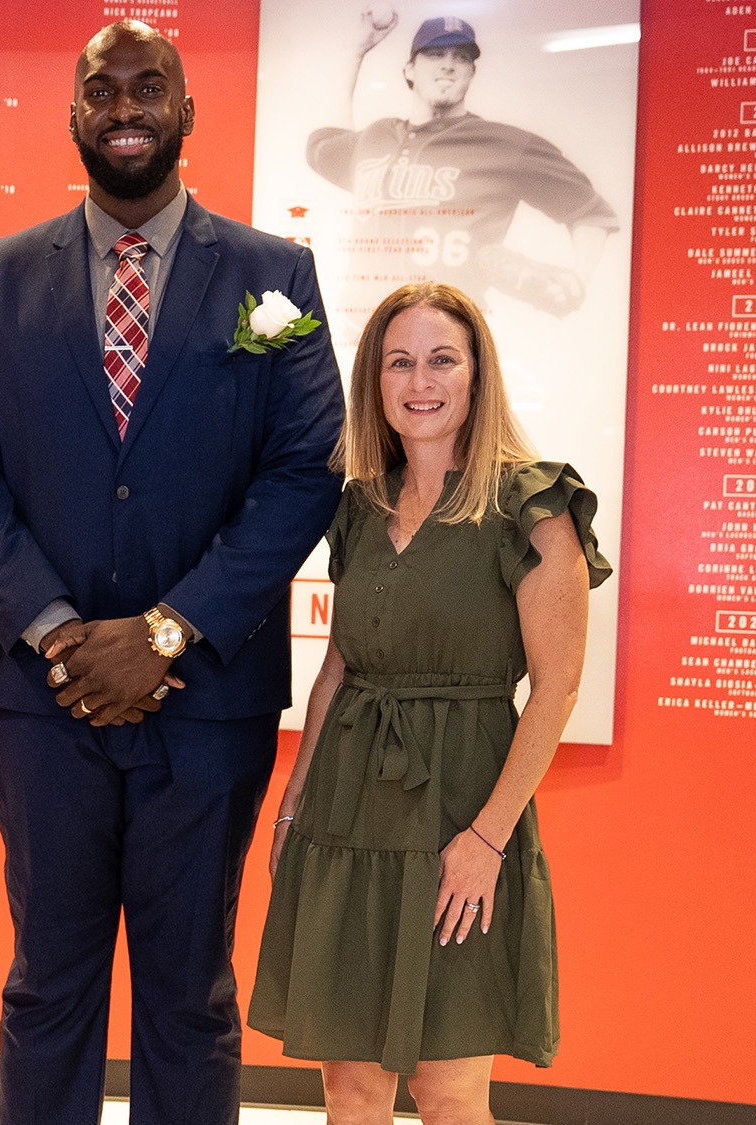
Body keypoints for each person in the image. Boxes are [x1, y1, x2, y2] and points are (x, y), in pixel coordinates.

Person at [0, 20, 345, 1122]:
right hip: (38, 704)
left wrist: (163, 631)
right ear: (71, 115)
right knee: (47, 983)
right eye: (100, 90)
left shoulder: (273, 276)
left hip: (207, 701)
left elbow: (304, 472)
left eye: (146, 86)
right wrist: (66, 638)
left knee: (189, 994)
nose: (124, 106)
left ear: (184, 113)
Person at [247, 282, 612, 1123]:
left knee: (448, 1089)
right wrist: (296, 795)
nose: (421, 380)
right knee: (350, 1086)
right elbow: (342, 657)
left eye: (442, 359)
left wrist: (488, 837)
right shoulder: (361, 503)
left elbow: (556, 687)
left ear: (477, 375)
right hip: (347, 811)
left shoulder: (534, 503)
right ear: (374, 382)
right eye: (399, 361)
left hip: (463, 813)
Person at [307, 9, 619, 317]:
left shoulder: (504, 145)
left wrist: (579, 279)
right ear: (409, 70)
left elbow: (591, 213)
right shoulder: (376, 137)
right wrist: (356, 51)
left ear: (471, 73)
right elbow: (322, 141)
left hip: (451, 333)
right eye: (435, 54)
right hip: (364, 329)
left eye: (461, 57)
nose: (448, 65)